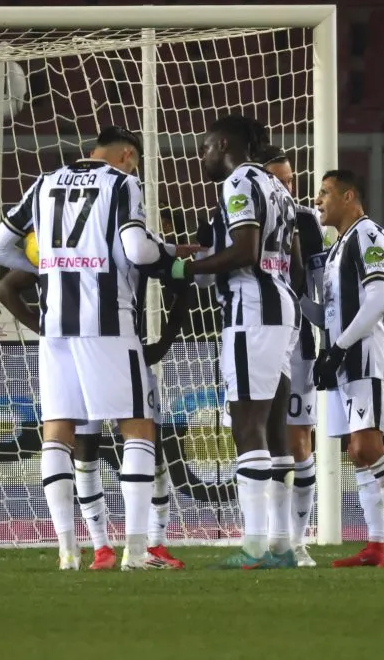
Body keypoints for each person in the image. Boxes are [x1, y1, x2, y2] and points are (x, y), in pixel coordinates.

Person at [0, 126, 183, 570]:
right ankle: (135, 551)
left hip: (55, 326)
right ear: (127, 155)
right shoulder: (122, 183)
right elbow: (135, 247)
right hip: (107, 321)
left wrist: (49, 270)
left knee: (57, 433)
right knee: (138, 427)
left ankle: (68, 551)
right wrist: (168, 254)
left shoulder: (44, 181)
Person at [154, 115, 301, 569]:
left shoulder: (238, 182)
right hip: (281, 306)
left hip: (251, 310)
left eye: (204, 148)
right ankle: (282, 545)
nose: (202, 157)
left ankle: (254, 546)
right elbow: (283, 253)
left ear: (221, 143)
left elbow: (244, 251)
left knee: (246, 426)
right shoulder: (276, 186)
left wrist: (184, 270)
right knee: (275, 431)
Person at [0, 245, 192, 569]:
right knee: (132, 443)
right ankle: (129, 545)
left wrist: (47, 332)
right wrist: (162, 344)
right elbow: (4, 288)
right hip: (120, 353)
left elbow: (3, 284)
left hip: (79, 354)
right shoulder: (116, 242)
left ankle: (114, 546)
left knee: (88, 447)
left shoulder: (63, 249)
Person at [301, 169, 384, 568]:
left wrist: (337, 349)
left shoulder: (368, 236)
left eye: (325, 193)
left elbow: (377, 301)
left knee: (367, 446)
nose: (318, 200)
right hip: (344, 359)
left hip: (366, 357)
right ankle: (375, 542)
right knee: (356, 452)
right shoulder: (339, 247)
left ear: (349, 196)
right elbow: (334, 312)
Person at [256, 144, 323, 567]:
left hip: (298, 343)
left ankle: (297, 541)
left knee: (299, 438)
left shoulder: (306, 219)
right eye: (278, 180)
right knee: (254, 438)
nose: (286, 187)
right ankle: (267, 536)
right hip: (255, 339)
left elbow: (319, 281)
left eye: (291, 180)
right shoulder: (245, 214)